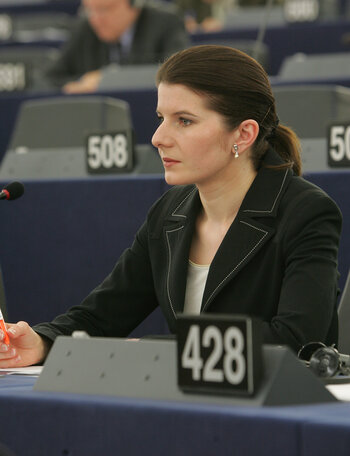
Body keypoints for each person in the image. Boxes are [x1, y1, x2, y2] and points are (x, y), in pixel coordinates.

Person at [0, 45, 342, 367]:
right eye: (161, 117)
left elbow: (297, 341)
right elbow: (99, 317)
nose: (158, 137)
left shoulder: (306, 211)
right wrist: (42, 343)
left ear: (243, 134)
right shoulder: (169, 214)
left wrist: (157, 351)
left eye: (184, 120)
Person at [47, 0, 190, 93]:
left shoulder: (166, 22)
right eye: (89, 9)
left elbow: (178, 75)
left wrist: (109, 80)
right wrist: (79, 82)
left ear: (134, 0)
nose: (95, 19)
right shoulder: (84, 27)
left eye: (103, 9)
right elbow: (51, 78)